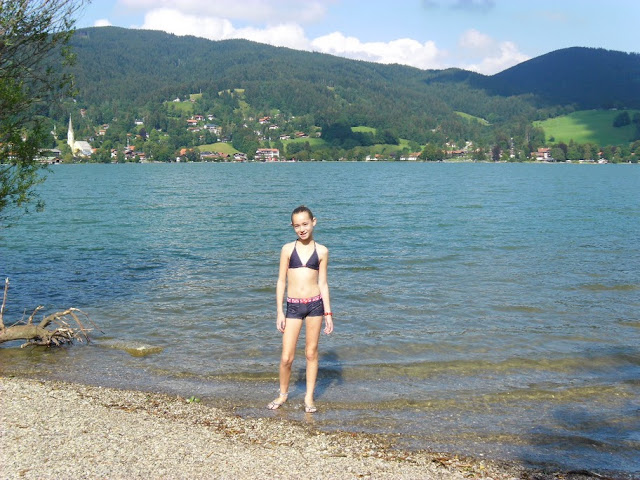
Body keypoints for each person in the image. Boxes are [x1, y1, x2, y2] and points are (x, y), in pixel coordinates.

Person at [267, 205, 333, 413]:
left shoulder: (322, 251)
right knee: (287, 357)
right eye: (297, 226)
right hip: (293, 307)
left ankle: (309, 397)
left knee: (311, 353)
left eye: (305, 224)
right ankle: (283, 394)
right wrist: (279, 312)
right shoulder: (287, 250)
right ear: (292, 226)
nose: (302, 229)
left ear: (314, 222)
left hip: (315, 306)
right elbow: (281, 281)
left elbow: (323, 283)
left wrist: (328, 313)